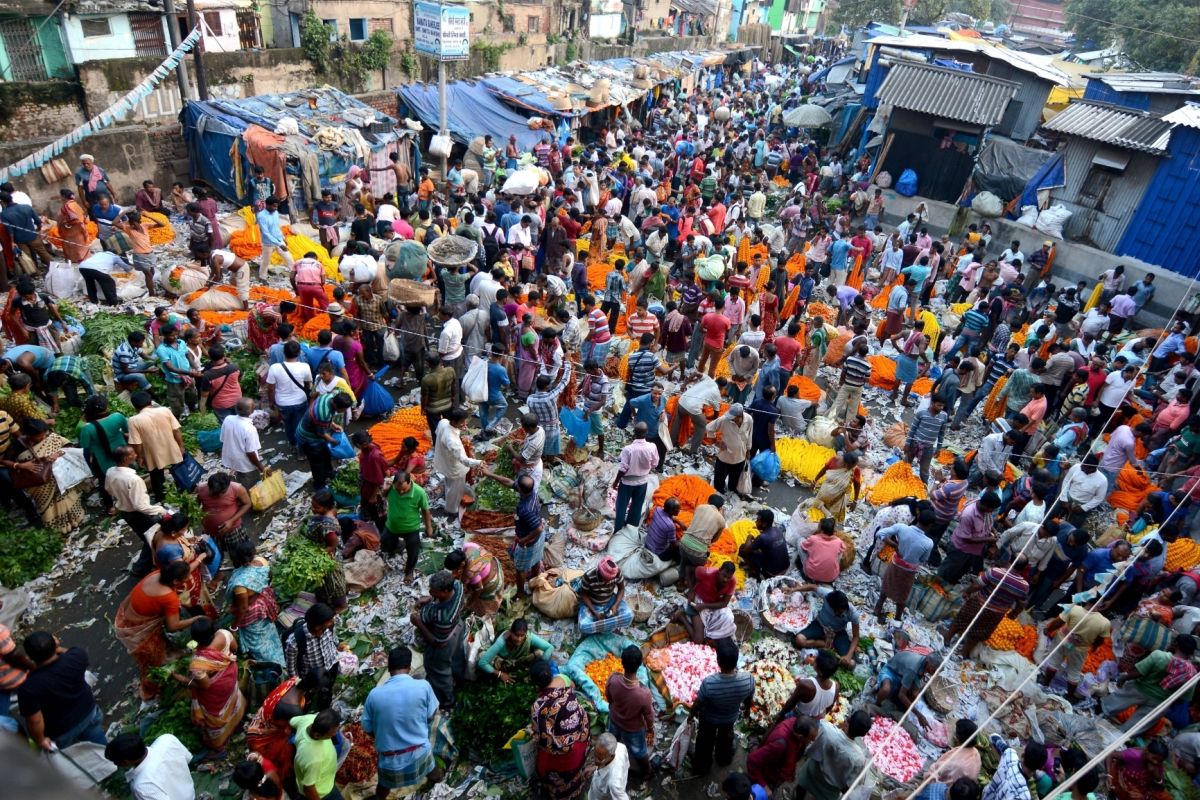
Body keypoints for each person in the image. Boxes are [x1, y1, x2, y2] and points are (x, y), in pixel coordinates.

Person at [363, 646, 443, 797]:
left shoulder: (374, 695)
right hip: (420, 752)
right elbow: (432, 715)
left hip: (390, 761)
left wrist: (385, 734)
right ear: (409, 667)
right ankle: (439, 779)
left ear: (388, 668)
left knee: (383, 787)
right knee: (434, 772)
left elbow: (367, 728)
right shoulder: (423, 686)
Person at [114, 561, 198, 699]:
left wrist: (200, 558)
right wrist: (195, 619)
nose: (189, 578)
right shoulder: (169, 597)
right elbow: (173, 626)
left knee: (160, 649)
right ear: (176, 581)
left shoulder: (159, 574)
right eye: (186, 577)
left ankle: (167, 659)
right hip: (137, 629)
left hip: (128, 616)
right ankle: (149, 690)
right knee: (151, 661)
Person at [17, 632, 105, 751]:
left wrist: (41, 740)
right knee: (100, 746)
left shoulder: (29, 688)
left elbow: (35, 721)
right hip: (88, 713)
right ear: (55, 644)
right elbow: (67, 652)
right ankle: (111, 763)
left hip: (61, 731)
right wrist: (56, 647)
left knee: (71, 758)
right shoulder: (76, 656)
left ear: (29, 656)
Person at [177, 618, 246, 755]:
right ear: (213, 630)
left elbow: (205, 685)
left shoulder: (198, 663)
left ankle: (219, 743)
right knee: (232, 696)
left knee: (215, 713)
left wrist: (183, 679)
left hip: (216, 689)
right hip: (230, 675)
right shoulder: (225, 634)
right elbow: (234, 648)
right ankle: (238, 718)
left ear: (195, 639)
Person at [690, 638, 755, 775]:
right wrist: (747, 710)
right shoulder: (748, 680)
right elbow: (749, 698)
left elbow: (698, 703)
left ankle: (702, 767)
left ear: (718, 661)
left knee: (704, 742)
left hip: (709, 719)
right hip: (729, 718)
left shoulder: (709, 683)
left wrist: (691, 715)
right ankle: (723, 759)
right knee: (725, 739)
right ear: (736, 660)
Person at [531, 659, 591, 800]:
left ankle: (563, 794)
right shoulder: (562, 679)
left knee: (544, 766)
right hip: (581, 734)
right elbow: (572, 686)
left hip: (566, 751)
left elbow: (543, 735)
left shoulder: (538, 706)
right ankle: (579, 781)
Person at [11, 418, 83, 532]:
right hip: (39, 484)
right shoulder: (18, 445)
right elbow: (4, 461)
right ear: (29, 436)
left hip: (59, 478)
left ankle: (75, 520)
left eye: (45, 434)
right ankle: (57, 530)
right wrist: (21, 466)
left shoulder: (49, 436)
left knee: (68, 499)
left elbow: (68, 445)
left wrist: (59, 453)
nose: (44, 438)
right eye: (40, 436)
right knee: (49, 508)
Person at [412, 570, 466, 708]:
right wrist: (431, 599)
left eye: (434, 591)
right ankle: (460, 679)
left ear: (446, 591)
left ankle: (448, 701)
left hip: (445, 641)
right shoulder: (458, 587)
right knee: (456, 658)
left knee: (439, 671)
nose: (430, 592)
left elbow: (438, 642)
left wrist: (418, 622)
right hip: (458, 628)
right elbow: (436, 598)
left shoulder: (444, 617)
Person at [793, 711, 872, 800]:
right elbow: (849, 784)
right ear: (863, 734)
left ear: (848, 719)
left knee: (800, 789)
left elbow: (812, 749)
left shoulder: (827, 728)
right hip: (831, 789)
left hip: (814, 771)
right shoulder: (859, 758)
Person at [874, 509, 935, 623]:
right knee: (903, 594)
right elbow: (923, 559)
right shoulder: (928, 543)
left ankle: (878, 607)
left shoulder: (902, 528)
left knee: (886, 586)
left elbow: (880, 533)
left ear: (918, 516)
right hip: (908, 571)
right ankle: (897, 618)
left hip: (895, 564)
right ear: (930, 525)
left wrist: (894, 545)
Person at [105, 732, 196, 800]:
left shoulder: (142, 785)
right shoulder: (167, 739)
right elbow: (187, 759)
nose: (115, 764)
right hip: (190, 792)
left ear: (125, 762)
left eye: (115, 761)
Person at [296, 391, 354, 491]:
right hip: (309, 437)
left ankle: (329, 472)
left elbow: (326, 422)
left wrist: (334, 425)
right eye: (343, 409)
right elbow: (321, 434)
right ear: (335, 404)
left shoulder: (329, 396)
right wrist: (334, 441)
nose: (343, 411)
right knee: (317, 462)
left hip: (315, 431)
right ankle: (319, 485)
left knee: (326, 454)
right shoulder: (323, 413)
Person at [747, 715, 817, 794]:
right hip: (767, 776)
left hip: (777, 773)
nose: (812, 742)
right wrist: (764, 787)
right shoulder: (780, 744)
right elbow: (752, 760)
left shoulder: (794, 723)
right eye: (810, 740)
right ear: (800, 737)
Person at [612, 421, 659, 531]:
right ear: (646, 432)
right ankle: (631, 528)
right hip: (642, 482)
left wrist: (616, 482)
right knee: (637, 506)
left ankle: (618, 529)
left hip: (627, 483)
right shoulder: (652, 447)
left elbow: (623, 469)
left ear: (634, 432)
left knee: (621, 507)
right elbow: (655, 464)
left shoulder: (628, 449)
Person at [794, 590, 860, 666]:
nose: (837, 613)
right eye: (835, 611)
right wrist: (794, 589)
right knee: (799, 640)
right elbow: (812, 587)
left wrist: (848, 656)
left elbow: (856, 636)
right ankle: (823, 644)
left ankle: (830, 644)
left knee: (850, 664)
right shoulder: (828, 595)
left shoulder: (853, 613)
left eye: (840, 612)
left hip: (838, 632)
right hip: (820, 624)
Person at [267, 341, 313, 448]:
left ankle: (293, 445)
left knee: (288, 425)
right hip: (300, 401)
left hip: (283, 403)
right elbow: (308, 384)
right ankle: (300, 449)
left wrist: (271, 402)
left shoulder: (274, 367)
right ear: (299, 353)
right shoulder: (305, 366)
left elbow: (271, 388)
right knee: (300, 424)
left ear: (284, 352)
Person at [477, 617, 553, 683]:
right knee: (482, 655)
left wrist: (542, 665)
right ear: (511, 632)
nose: (519, 639)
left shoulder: (529, 637)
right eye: (516, 635)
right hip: (502, 662)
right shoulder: (502, 641)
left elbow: (549, 647)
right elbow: (482, 663)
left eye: (522, 635)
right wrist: (500, 674)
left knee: (540, 652)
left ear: (526, 634)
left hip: (519, 660)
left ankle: (526, 671)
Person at [776, 650, 840, 724]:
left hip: (797, 719)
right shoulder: (836, 686)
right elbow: (829, 707)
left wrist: (780, 715)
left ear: (817, 667)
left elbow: (790, 703)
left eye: (816, 659)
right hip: (814, 723)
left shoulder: (806, 685)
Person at [220, 398, 270, 490]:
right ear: (251, 411)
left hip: (230, 460)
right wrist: (261, 468)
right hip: (245, 465)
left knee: (237, 483)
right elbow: (250, 452)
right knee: (251, 488)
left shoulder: (228, 419)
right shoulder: (250, 429)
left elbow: (223, 439)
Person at [293, 709, 343, 800]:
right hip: (322, 793)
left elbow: (292, 721)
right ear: (317, 735)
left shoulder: (308, 719)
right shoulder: (313, 759)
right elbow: (309, 788)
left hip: (326, 781)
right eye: (331, 735)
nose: (335, 734)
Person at [444, 542, 504, 616]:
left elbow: (479, 589)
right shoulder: (468, 546)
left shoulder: (470, 572)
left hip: (492, 581)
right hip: (493, 562)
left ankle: (488, 614)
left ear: (462, 564)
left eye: (455, 569)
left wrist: (469, 604)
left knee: (483, 606)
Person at [577, 556, 632, 635]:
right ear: (599, 571)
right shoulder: (589, 576)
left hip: (610, 601)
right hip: (592, 604)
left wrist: (615, 605)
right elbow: (584, 594)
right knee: (583, 626)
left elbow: (621, 589)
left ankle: (604, 625)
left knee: (629, 615)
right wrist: (594, 611)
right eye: (605, 579)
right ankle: (607, 624)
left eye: (609, 580)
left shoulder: (617, 573)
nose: (606, 582)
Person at [708, 403, 753, 496]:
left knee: (734, 482)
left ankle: (731, 492)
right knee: (719, 482)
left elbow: (749, 435)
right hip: (724, 457)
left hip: (739, 457)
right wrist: (717, 442)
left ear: (739, 416)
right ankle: (719, 494)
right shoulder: (724, 420)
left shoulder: (748, 419)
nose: (730, 418)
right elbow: (709, 428)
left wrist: (748, 450)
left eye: (733, 417)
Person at [982, 741, 1047, 800]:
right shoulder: (1023, 795)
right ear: (1040, 768)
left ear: (1022, 755)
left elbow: (994, 737)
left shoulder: (1010, 754)